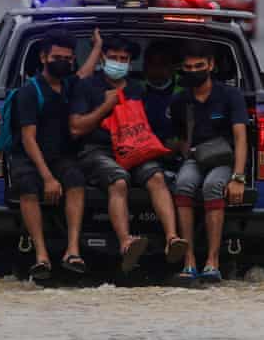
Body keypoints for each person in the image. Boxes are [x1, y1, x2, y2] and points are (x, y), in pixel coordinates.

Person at [69, 35, 187, 272]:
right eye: (113, 58)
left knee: (156, 177)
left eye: (124, 59)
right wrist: (105, 107)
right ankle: (126, 242)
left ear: (131, 61)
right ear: (103, 58)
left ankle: (173, 239)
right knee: (119, 180)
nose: (118, 62)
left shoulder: (136, 89)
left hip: (134, 148)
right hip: (98, 151)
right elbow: (75, 129)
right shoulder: (87, 86)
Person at [8, 31, 87, 280]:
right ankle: (41, 255)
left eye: (67, 58)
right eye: (56, 57)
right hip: (29, 157)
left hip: (59, 156)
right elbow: (28, 139)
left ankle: (72, 251)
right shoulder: (29, 92)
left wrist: (97, 46)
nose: (62, 61)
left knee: (75, 180)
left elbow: (86, 72)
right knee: (28, 188)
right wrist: (48, 178)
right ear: (43, 57)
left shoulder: (69, 85)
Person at [170, 41, 249, 282]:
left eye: (199, 66)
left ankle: (212, 261)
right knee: (183, 184)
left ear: (211, 65)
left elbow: (241, 137)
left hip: (224, 160)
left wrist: (237, 178)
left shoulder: (230, 95)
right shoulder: (180, 100)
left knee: (212, 186)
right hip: (195, 158)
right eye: (188, 67)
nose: (194, 71)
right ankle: (189, 259)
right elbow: (180, 138)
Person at [141, 40, 181, 144]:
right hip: (143, 149)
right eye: (153, 64)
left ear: (172, 67)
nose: (157, 69)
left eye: (163, 64)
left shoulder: (185, 90)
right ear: (145, 66)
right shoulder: (135, 90)